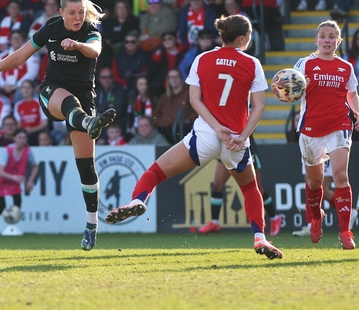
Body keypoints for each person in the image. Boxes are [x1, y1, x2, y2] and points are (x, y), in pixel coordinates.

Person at [105, 14, 283, 260]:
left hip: (206, 135)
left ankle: (137, 200)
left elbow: (194, 100)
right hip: (235, 139)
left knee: (155, 172)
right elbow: (259, 107)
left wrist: (216, 128)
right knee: (250, 188)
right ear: (242, 38)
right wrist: (243, 136)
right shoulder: (252, 63)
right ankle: (259, 237)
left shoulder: (202, 59)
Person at [0, 0, 117, 251]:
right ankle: (88, 122)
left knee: (86, 168)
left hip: (84, 98)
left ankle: (91, 225)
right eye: (72, 13)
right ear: (61, 12)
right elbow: (20, 56)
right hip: (51, 93)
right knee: (68, 101)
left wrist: (78, 45)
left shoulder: (90, 30)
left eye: (81, 12)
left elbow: (95, 50)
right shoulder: (51, 27)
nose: (78, 17)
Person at [292, 20, 359, 249]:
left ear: (338, 41)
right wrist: (300, 87)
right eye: (322, 36)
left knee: (341, 175)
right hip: (311, 129)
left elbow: (352, 93)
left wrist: (358, 113)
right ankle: (316, 217)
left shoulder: (346, 67)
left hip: (339, 124)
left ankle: (345, 231)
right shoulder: (304, 64)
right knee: (314, 182)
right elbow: (288, 91)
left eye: (332, 36)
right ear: (316, 40)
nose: (327, 40)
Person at [197, 135, 283, 237]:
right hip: (228, 147)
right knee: (217, 185)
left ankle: (275, 218)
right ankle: (214, 222)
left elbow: (251, 125)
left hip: (244, 146)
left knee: (257, 188)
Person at [0, 129, 38, 234]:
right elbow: (0, 172)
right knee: (1, 206)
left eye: (24, 138)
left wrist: (30, 181)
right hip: (1, 180)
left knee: (17, 205)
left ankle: (12, 227)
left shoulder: (28, 151)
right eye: (19, 137)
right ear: (14, 138)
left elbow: (35, 166)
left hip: (14, 181)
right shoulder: (8, 150)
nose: (22, 140)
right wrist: (14, 177)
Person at [154, 68, 197, 143]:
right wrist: (162, 123)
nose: (174, 79)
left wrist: (187, 120)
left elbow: (197, 110)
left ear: (181, 78)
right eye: (171, 77)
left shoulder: (189, 93)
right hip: (166, 133)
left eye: (176, 76)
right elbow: (156, 115)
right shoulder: (164, 97)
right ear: (168, 80)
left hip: (184, 131)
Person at [13, 79, 49, 146]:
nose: (26, 90)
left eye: (28, 87)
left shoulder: (39, 103)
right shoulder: (18, 105)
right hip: (24, 133)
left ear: (33, 89)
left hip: (37, 132)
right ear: (21, 90)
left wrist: (32, 130)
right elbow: (19, 124)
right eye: (23, 87)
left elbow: (45, 123)